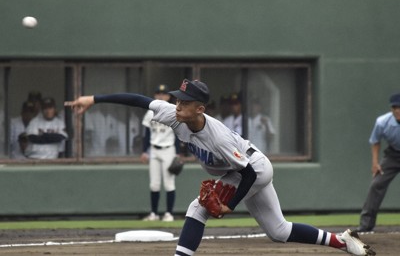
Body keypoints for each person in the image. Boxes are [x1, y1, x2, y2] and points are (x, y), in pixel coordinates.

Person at [65, 79, 375, 256]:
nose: (177, 105)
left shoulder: (219, 136)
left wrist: (230, 204)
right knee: (279, 231)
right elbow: (138, 100)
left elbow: (250, 174)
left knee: (198, 207)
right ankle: (341, 241)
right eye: (177, 99)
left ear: (200, 109)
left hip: (252, 167)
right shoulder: (174, 114)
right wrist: (94, 98)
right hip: (242, 170)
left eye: (184, 102)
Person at [357, 93, 400, 233]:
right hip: (393, 155)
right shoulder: (382, 122)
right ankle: (366, 226)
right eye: (395, 107)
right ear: (391, 109)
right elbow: (375, 141)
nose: (398, 110)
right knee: (377, 184)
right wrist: (375, 163)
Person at [141, 84, 180, 222]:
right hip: (153, 149)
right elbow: (146, 134)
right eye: (159, 94)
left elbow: (178, 132)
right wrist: (144, 151)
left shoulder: (173, 111)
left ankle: (169, 213)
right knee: (154, 184)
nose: (161, 96)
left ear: (168, 96)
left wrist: (178, 152)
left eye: (164, 94)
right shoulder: (150, 112)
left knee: (169, 183)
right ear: (155, 96)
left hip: (168, 149)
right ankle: (154, 214)